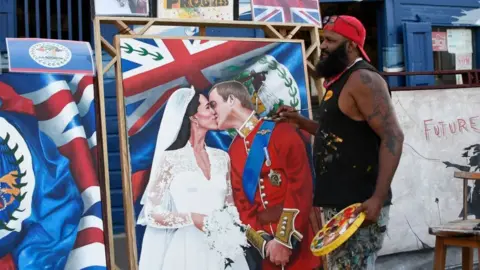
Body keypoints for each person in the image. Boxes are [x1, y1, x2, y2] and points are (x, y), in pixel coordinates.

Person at [276, 15, 405, 269]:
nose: (323, 46)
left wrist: (377, 198)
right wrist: (300, 121)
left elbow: (393, 136)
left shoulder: (364, 80)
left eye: (330, 41)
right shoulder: (340, 80)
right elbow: (336, 133)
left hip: (359, 206)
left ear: (351, 46)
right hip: (338, 203)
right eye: (323, 40)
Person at [208, 81, 319, 270]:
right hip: (268, 255)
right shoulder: (234, 150)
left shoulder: (280, 132)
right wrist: (266, 244)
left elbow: (300, 186)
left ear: (232, 100)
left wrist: (284, 241)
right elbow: (242, 207)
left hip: (299, 244)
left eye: (213, 104)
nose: (211, 111)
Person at [136, 87, 249, 270]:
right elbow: (151, 213)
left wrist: (231, 230)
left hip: (223, 248)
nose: (214, 112)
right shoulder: (170, 160)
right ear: (193, 117)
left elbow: (230, 204)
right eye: (207, 107)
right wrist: (193, 218)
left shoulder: (222, 158)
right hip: (186, 250)